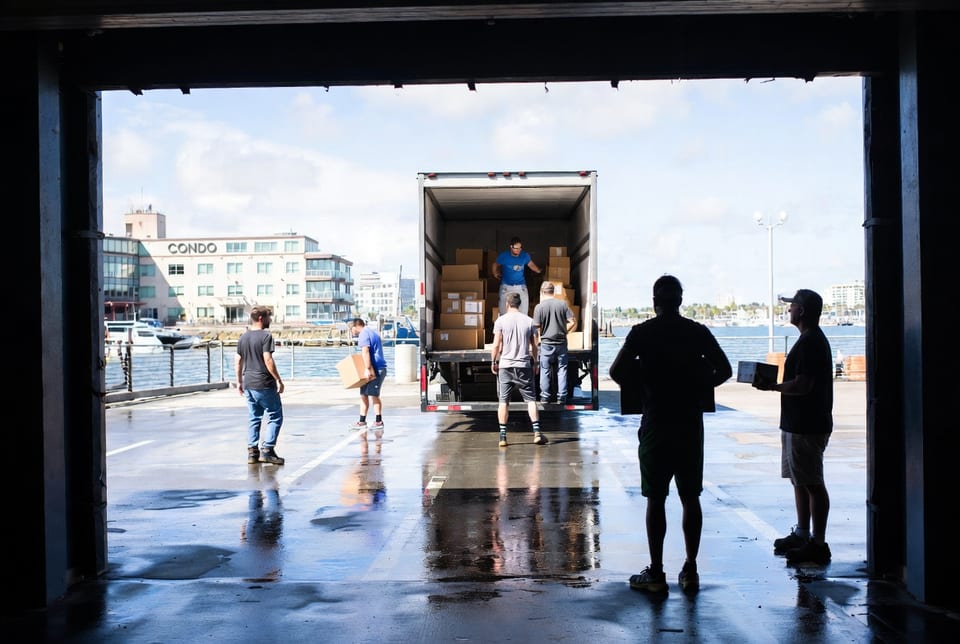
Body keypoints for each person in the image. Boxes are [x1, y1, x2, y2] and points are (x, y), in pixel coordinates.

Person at [609, 275, 732, 594]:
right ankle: (690, 570)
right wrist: (697, 387)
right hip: (689, 424)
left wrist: (647, 384)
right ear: (680, 301)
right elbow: (725, 371)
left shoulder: (641, 333)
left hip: (655, 423)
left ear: (654, 302)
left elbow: (617, 372)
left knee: (655, 499)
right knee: (691, 497)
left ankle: (657, 572)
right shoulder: (698, 332)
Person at [753, 289, 834, 566]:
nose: (789, 310)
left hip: (807, 425)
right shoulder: (808, 340)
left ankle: (818, 543)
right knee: (800, 480)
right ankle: (802, 533)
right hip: (797, 423)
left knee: (812, 482)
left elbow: (803, 385)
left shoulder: (811, 343)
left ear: (802, 310)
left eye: (792, 306)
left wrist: (772, 386)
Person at [491, 291, 547, 447]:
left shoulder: (500, 321)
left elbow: (496, 344)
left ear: (507, 304)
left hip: (505, 366)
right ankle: (537, 432)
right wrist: (535, 362)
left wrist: (493, 361)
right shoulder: (529, 321)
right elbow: (535, 345)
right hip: (523, 365)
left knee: (503, 402)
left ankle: (503, 437)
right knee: (530, 400)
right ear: (520, 305)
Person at [236, 306, 285, 465]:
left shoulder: (243, 337)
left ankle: (252, 452)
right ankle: (267, 450)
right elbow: (268, 360)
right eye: (269, 317)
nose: (270, 320)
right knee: (275, 415)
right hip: (264, 382)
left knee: (254, 418)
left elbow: (238, 361)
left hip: (248, 383)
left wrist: (239, 382)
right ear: (261, 319)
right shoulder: (266, 336)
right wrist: (278, 379)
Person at [532, 281, 577, 404]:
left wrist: (543, 334)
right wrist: (564, 331)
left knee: (545, 370)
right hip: (561, 343)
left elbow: (536, 327)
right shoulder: (562, 304)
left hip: (546, 344)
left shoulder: (539, 307)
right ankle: (562, 396)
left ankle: (545, 397)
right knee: (562, 369)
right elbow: (573, 321)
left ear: (542, 292)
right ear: (554, 292)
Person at [349, 318, 388, 432]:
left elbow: (365, 351)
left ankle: (378, 421)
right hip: (374, 368)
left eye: (351, 329)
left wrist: (367, 369)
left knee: (373, 395)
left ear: (356, 326)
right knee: (364, 394)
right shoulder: (370, 332)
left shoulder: (364, 334)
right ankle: (362, 421)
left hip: (375, 369)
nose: (351, 331)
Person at [493, 236, 542, 316]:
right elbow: (495, 265)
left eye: (520, 248)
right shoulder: (503, 256)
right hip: (506, 286)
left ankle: (523, 325)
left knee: (524, 309)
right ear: (511, 247)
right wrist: (495, 273)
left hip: (521, 286)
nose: (518, 250)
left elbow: (531, 265)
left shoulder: (525, 255)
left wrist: (538, 270)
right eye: (516, 248)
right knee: (503, 310)